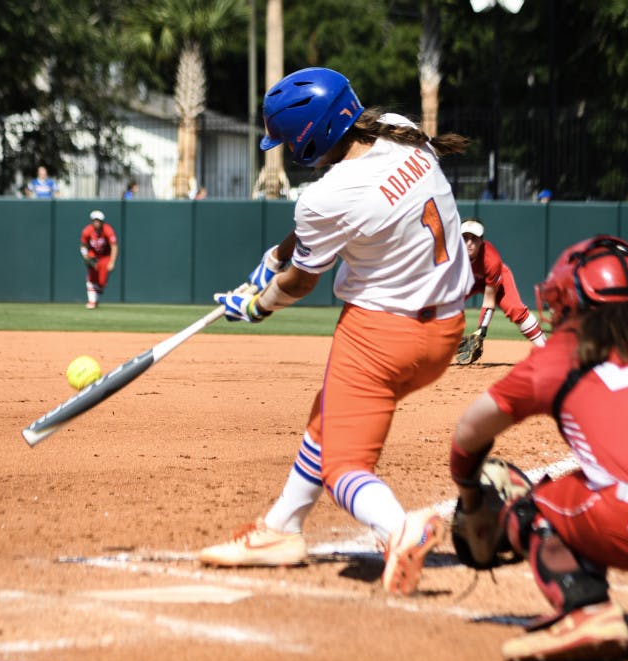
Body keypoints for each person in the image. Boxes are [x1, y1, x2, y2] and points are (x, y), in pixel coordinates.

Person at [202, 67, 474, 597]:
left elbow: (301, 282)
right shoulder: (399, 130)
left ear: (308, 138)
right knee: (328, 413)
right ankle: (281, 529)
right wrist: (274, 257)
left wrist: (258, 304)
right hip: (444, 331)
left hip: (381, 336)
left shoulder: (327, 196)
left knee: (343, 467)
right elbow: (315, 231)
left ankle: (397, 528)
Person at [449, 235, 628, 661]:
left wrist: (470, 493)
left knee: (535, 506)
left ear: (568, 301)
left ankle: (585, 609)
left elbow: (468, 433)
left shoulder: (558, 353)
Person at [460, 218, 546, 350]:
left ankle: (545, 348)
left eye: (474, 238)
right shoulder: (451, 256)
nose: (469, 243)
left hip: (494, 279)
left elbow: (489, 300)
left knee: (516, 309)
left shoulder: (491, 260)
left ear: (482, 241)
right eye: (465, 238)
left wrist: (481, 331)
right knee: (443, 306)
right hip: (469, 280)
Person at [79, 209, 118, 309]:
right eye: (95, 220)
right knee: (92, 279)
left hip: (105, 256)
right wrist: (86, 256)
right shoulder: (87, 231)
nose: (96, 223)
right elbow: (83, 245)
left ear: (102, 222)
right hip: (93, 256)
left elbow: (114, 246)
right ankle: (92, 301)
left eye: (98, 221)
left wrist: (112, 262)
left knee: (101, 282)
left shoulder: (107, 230)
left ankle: (95, 301)